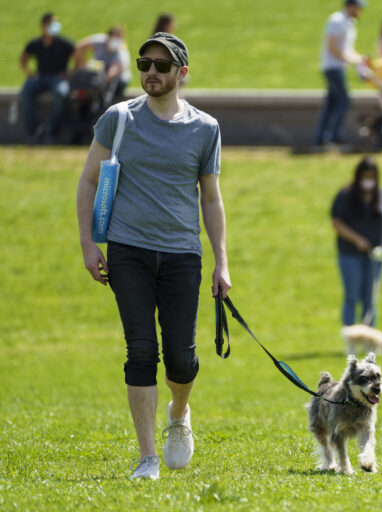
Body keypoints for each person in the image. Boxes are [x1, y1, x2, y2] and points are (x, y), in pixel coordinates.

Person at [76, 32, 230, 480]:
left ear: (181, 73)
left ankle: (179, 415)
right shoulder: (117, 119)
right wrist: (89, 244)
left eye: (162, 66)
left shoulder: (205, 128)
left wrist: (221, 261)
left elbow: (212, 198)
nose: (151, 73)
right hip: (129, 251)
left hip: (183, 254)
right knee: (140, 350)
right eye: (145, 63)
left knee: (181, 358)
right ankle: (147, 457)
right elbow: (88, 182)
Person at [331, 156, 382, 327]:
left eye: (372, 177)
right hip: (350, 254)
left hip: (375, 255)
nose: (369, 181)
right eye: (365, 177)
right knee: (352, 296)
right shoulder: (345, 195)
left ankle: (369, 339)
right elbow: (337, 223)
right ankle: (350, 337)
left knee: (371, 298)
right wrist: (357, 239)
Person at [314, 0, 365, 148]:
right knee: (344, 101)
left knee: (331, 104)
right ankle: (335, 137)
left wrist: (359, 59)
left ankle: (320, 139)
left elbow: (347, 49)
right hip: (333, 68)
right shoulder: (337, 20)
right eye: (357, 7)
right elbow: (332, 47)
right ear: (350, 6)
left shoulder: (349, 23)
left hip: (339, 68)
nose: (359, 11)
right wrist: (350, 59)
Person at [19, 12, 74, 144]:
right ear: (43, 26)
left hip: (58, 77)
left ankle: (52, 131)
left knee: (61, 93)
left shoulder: (64, 43)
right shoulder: (35, 43)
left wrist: (70, 73)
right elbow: (23, 59)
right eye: (52, 23)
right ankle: (33, 131)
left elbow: (79, 58)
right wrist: (29, 73)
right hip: (40, 76)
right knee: (25, 92)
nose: (55, 26)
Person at [74, 26, 131, 100]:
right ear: (108, 37)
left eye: (119, 38)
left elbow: (114, 71)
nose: (117, 41)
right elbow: (79, 47)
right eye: (115, 38)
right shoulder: (100, 41)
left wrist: (103, 80)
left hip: (117, 80)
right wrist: (83, 64)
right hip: (98, 73)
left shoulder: (121, 51)